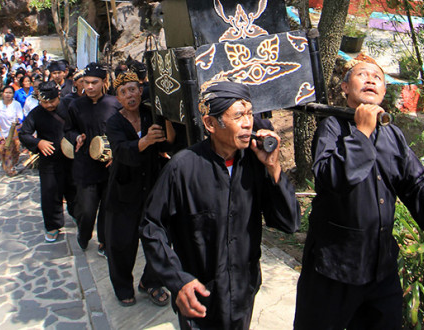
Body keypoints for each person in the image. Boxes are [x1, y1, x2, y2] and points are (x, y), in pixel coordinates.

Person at [293, 54, 424, 330]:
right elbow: (331, 179)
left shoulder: (393, 135)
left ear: (384, 92)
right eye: (362, 74)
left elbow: (416, 183)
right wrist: (361, 134)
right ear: (345, 88)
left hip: (380, 268)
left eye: (378, 77)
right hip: (335, 268)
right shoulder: (332, 128)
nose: (371, 79)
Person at [141, 80, 300, 330]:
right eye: (238, 115)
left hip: (242, 292)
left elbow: (289, 223)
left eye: (249, 114)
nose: (248, 122)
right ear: (211, 124)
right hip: (198, 295)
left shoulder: (255, 165)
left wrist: (273, 167)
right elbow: (152, 228)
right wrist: (177, 281)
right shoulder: (182, 168)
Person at [104, 71, 174, 307]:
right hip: (124, 189)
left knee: (160, 238)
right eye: (123, 92)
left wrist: (165, 121)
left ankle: (151, 282)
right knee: (122, 243)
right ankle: (123, 286)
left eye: (133, 89)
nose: (129, 95)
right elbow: (121, 151)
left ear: (140, 90)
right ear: (118, 98)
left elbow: (166, 142)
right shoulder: (114, 122)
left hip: (153, 184)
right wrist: (144, 141)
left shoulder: (149, 114)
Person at [65, 62, 122, 254]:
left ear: (104, 82)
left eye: (94, 82)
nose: (89, 87)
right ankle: (84, 233)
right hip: (85, 165)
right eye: (86, 82)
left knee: (108, 208)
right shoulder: (75, 105)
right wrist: (76, 137)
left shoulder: (114, 104)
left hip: (108, 165)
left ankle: (104, 243)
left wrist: (117, 154)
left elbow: (124, 131)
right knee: (87, 210)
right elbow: (68, 129)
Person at [20, 81, 78, 242]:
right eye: (44, 102)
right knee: (50, 193)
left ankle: (77, 215)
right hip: (49, 160)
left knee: (75, 190)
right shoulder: (36, 114)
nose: (49, 105)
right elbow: (24, 134)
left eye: (52, 101)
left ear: (58, 96)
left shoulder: (69, 107)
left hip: (72, 158)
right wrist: (38, 142)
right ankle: (52, 225)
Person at [0, 84, 24, 176]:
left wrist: (18, 121)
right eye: (6, 92)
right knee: (0, 149)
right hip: (0, 131)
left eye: (10, 93)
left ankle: (10, 167)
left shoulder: (16, 104)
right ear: (2, 93)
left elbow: (20, 116)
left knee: (13, 150)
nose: (8, 95)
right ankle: (6, 164)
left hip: (12, 131)